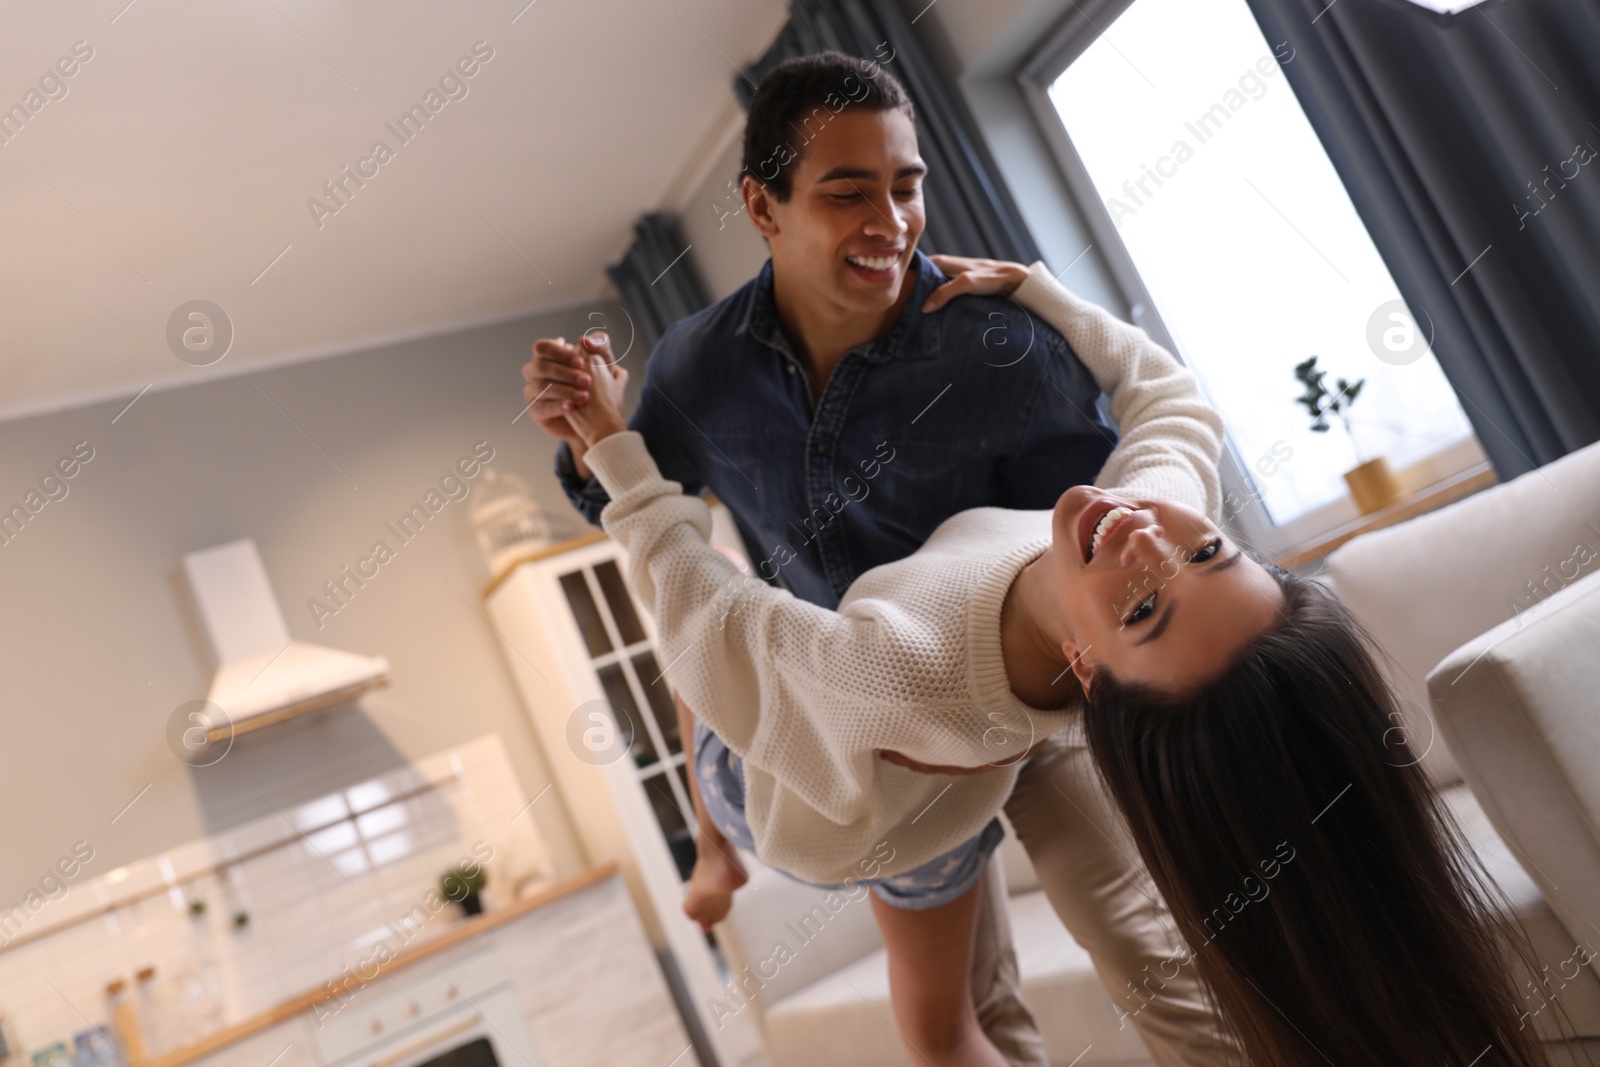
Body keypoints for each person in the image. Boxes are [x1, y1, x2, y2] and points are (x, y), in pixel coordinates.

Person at [551, 255, 1559, 1067]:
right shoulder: (1156, 530)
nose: (1144, 541)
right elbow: (1169, 403)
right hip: (975, 714)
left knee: (720, 614)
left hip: (861, 805)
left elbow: (706, 626)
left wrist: (611, 445)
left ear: (1089, 674)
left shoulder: (886, 678)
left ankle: (715, 840)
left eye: (1148, 607)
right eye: (1207, 552)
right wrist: (1036, 285)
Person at [527, 51, 1235, 1067]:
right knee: (972, 1017)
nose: (891, 221)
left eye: (906, 186)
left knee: (1145, 953)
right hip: (884, 729)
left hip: (1039, 697)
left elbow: (1104, 515)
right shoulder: (701, 367)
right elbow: (631, 500)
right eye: (847, 192)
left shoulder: (994, 339)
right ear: (761, 207)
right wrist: (579, 427)